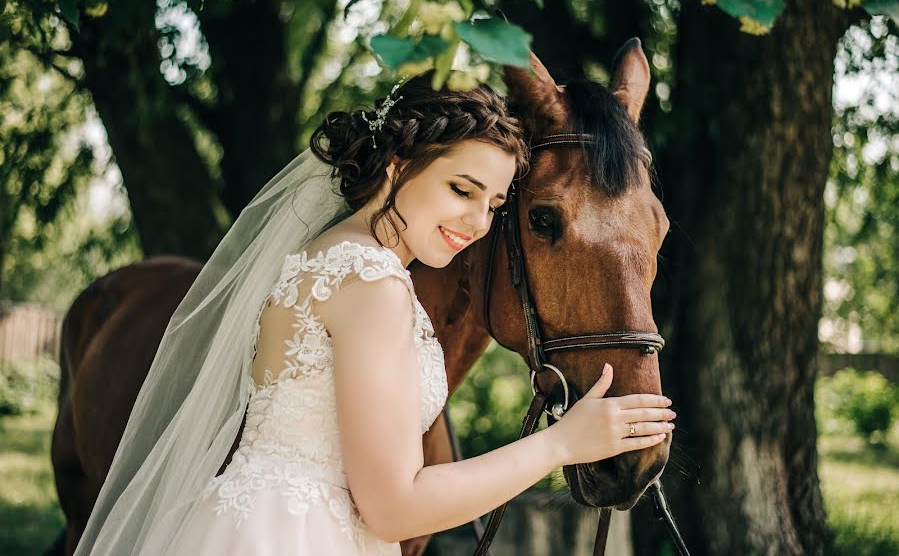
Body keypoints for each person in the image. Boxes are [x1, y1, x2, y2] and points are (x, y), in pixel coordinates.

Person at [74, 72, 675, 555]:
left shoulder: (331, 255)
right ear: (398, 166)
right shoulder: (372, 282)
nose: (475, 223)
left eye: (494, 205)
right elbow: (392, 508)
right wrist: (560, 445)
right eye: (460, 190)